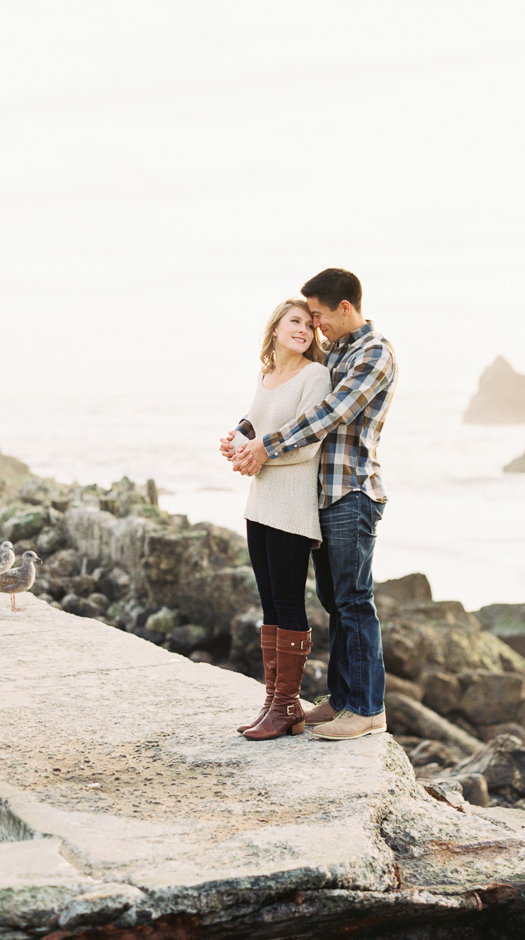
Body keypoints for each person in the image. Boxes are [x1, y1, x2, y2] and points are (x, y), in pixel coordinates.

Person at [230, 268, 397, 741]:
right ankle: (343, 699)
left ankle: (367, 708)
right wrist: (245, 437)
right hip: (322, 494)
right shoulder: (338, 351)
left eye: (320, 316)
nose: (315, 326)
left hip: (352, 491)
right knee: (334, 601)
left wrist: (264, 448)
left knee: (353, 600)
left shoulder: (374, 353)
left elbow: (329, 414)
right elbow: (276, 403)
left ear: (346, 308)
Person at [224, 299, 331, 741]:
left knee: (288, 602)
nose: (304, 329)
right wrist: (236, 439)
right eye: (295, 322)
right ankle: (273, 702)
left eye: (310, 325)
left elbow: (307, 444)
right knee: (268, 602)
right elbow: (256, 420)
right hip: (260, 501)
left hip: (292, 506)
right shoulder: (267, 376)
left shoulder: (316, 376)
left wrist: (257, 452)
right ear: (275, 328)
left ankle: (288, 705)